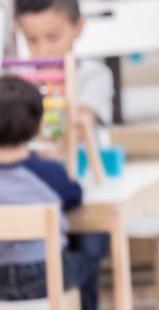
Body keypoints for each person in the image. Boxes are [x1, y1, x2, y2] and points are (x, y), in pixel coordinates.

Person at [0, 76, 107, 310]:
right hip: (46, 277)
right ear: (38, 125)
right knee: (93, 241)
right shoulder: (47, 172)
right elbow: (74, 197)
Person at [15, 0, 113, 126]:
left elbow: (80, 125)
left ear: (78, 27)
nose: (43, 51)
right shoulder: (18, 78)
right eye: (32, 40)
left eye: (53, 38)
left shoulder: (93, 75)